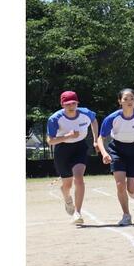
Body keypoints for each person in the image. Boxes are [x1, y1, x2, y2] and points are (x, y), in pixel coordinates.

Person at [97, 88, 134, 226]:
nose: (129, 101)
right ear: (120, 101)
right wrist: (104, 153)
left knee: (131, 189)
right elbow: (101, 137)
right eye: (125, 99)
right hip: (117, 149)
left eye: (132, 99)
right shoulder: (112, 118)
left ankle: (133, 190)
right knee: (120, 185)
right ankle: (126, 215)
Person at [46, 91, 99, 225]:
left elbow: (94, 121)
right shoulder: (55, 118)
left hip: (80, 147)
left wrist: (95, 140)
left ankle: (77, 213)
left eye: (73, 103)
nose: (71, 106)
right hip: (62, 149)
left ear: (77, 103)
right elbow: (50, 141)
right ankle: (67, 198)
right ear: (62, 104)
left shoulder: (86, 113)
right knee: (67, 185)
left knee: (79, 178)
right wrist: (68, 136)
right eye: (68, 104)